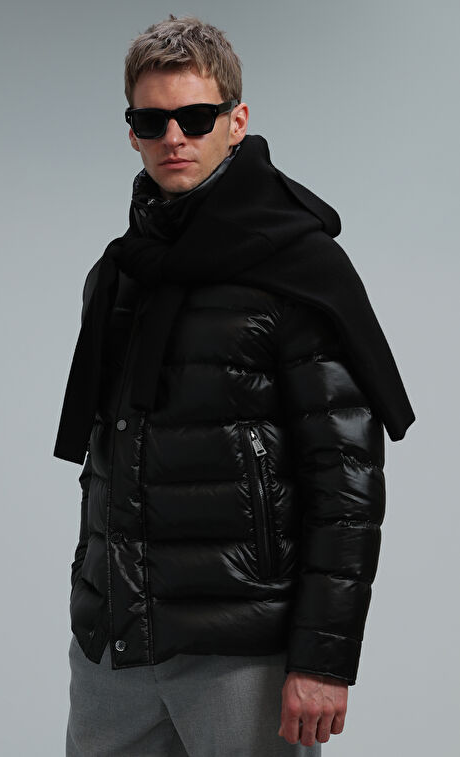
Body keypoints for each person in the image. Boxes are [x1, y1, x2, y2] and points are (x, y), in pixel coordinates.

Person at [53, 14, 415, 757]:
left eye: (195, 117)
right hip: (114, 647)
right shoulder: (119, 274)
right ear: (131, 132)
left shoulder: (295, 270)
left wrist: (322, 659)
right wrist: (91, 596)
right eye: (151, 121)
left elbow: (345, 482)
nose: (173, 137)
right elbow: (107, 455)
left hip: (243, 652)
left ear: (235, 121)